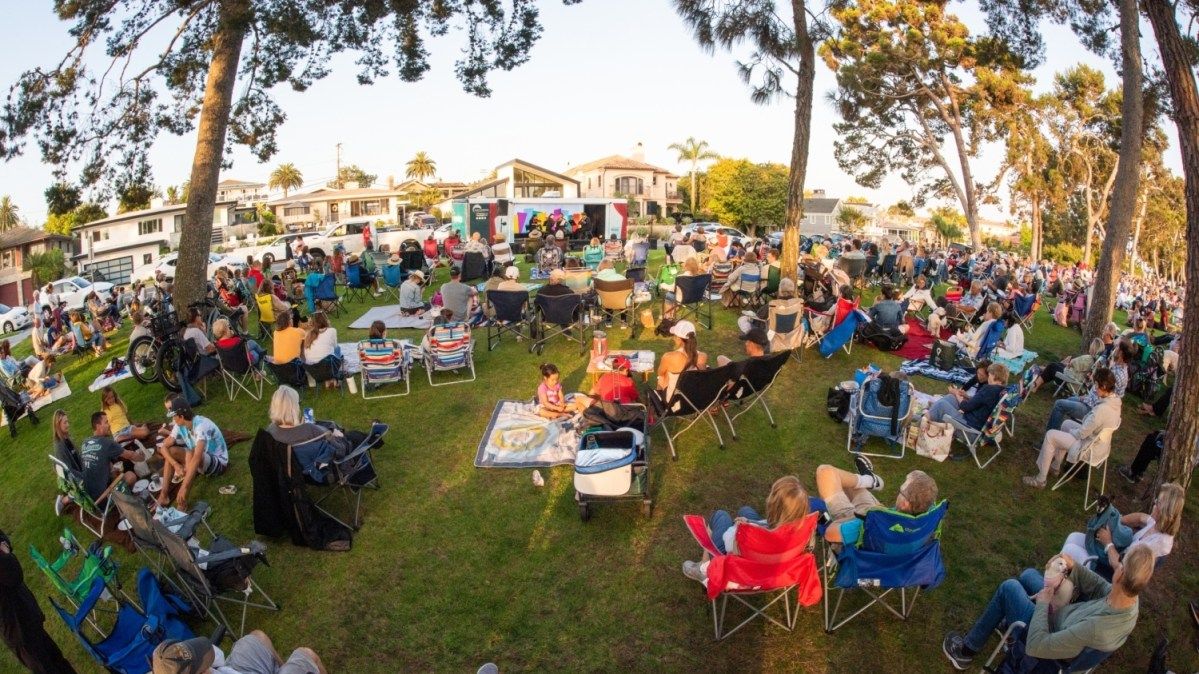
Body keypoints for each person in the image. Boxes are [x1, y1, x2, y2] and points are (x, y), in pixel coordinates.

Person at [942, 544, 1154, 670]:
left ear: (1121, 574)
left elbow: (1038, 646)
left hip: (1046, 635)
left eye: (1120, 563)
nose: (1116, 564)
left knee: (1010, 587)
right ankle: (1009, 627)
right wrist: (1072, 568)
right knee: (1028, 575)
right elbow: (1101, 587)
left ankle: (966, 650)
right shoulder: (1129, 600)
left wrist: (1043, 604)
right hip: (1063, 619)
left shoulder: (1098, 628)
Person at [681, 476, 810, 583]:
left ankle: (704, 568)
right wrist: (751, 522)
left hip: (742, 569)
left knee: (721, 516)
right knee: (746, 511)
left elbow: (729, 544)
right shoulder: (803, 532)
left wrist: (738, 528)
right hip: (777, 569)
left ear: (772, 505)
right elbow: (770, 526)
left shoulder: (751, 534)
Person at [1024, 368, 1122, 488]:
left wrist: (1072, 432)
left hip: (1089, 447)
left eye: (1096, 385)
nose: (1095, 388)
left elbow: (1081, 433)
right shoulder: (1115, 401)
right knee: (1066, 424)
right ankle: (1055, 467)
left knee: (1050, 435)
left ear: (1105, 386)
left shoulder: (1102, 410)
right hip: (1098, 442)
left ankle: (1040, 479)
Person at [0, 529, 78, 674]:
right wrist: (5, 552)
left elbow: (2, 537)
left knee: (57, 660)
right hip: (17, 628)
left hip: (26, 614)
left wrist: (5, 546)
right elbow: (13, 573)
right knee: (48, 668)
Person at [815, 456, 939, 543]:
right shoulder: (926, 521)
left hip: (862, 524)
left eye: (900, 490)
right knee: (851, 485)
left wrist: (824, 517)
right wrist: (879, 510)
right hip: (881, 515)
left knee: (825, 472)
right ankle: (870, 480)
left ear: (905, 504)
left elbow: (830, 534)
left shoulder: (870, 524)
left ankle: (870, 480)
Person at [1060, 482, 1184, 566]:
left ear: (1165, 511)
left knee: (1069, 550)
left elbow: (1123, 569)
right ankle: (1058, 578)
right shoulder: (1156, 522)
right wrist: (1118, 519)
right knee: (1073, 537)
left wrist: (1108, 543)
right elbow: (1140, 518)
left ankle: (1057, 584)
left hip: (1113, 570)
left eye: (1159, 502)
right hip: (1116, 552)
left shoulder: (1158, 545)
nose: (1154, 503)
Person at [158, 397, 228, 510]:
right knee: (172, 452)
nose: (173, 420)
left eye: (174, 417)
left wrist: (183, 487)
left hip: (218, 464)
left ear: (181, 416)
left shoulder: (200, 425)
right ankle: (163, 495)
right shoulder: (179, 425)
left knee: (191, 453)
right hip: (200, 462)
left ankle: (182, 501)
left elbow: (197, 457)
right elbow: (163, 447)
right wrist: (175, 464)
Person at [1045, 341, 1131, 432]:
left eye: (1117, 348)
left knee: (1059, 404)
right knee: (1070, 399)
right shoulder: (1115, 367)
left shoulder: (1118, 374)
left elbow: (1105, 396)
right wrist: (1086, 397)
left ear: (1121, 353)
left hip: (1093, 410)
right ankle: (1063, 432)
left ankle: (1050, 435)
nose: (1114, 349)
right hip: (1091, 401)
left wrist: (1087, 399)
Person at [151, 631, 326, 674]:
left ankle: (281, 669)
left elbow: (215, 656)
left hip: (234, 670)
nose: (208, 669)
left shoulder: (165, 662)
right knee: (306, 654)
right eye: (204, 669)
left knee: (257, 637)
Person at [926, 362, 1008, 431]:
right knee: (951, 398)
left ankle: (922, 421)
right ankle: (933, 410)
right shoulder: (1002, 390)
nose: (989, 378)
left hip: (969, 426)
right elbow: (978, 403)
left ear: (994, 376)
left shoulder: (989, 389)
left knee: (942, 405)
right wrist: (963, 396)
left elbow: (965, 407)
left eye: (989, 375)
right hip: (976, 420)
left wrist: (957, 394)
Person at [81, 411, 139, 504]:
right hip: (104, 498)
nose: (109, 425)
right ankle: (126, 504)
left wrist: (112, 471)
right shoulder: (106, 443)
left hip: (90, 495)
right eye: (106, 422)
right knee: (130, 476)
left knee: (116, 472)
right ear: (98, 426)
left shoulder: (85, 443)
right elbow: (130, 455)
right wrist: (142, 457)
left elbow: (99, 460)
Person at [655, 320, 709, 403]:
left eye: (674, 336)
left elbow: (660, 373)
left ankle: (659, 402)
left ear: (678, 338)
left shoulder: (669, 356)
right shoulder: (703, 356)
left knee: (662, 376)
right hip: (695, 399)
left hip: (675, 402)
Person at [302, 312, 341, 385]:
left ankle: (328, 380)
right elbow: (336, 347)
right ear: (326, 320)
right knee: (338, 350)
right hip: (327, 367)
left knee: (328, 355)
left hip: (313, 371)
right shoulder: (332, 330)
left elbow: (305, 354)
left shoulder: (308, 334)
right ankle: (332, 378)